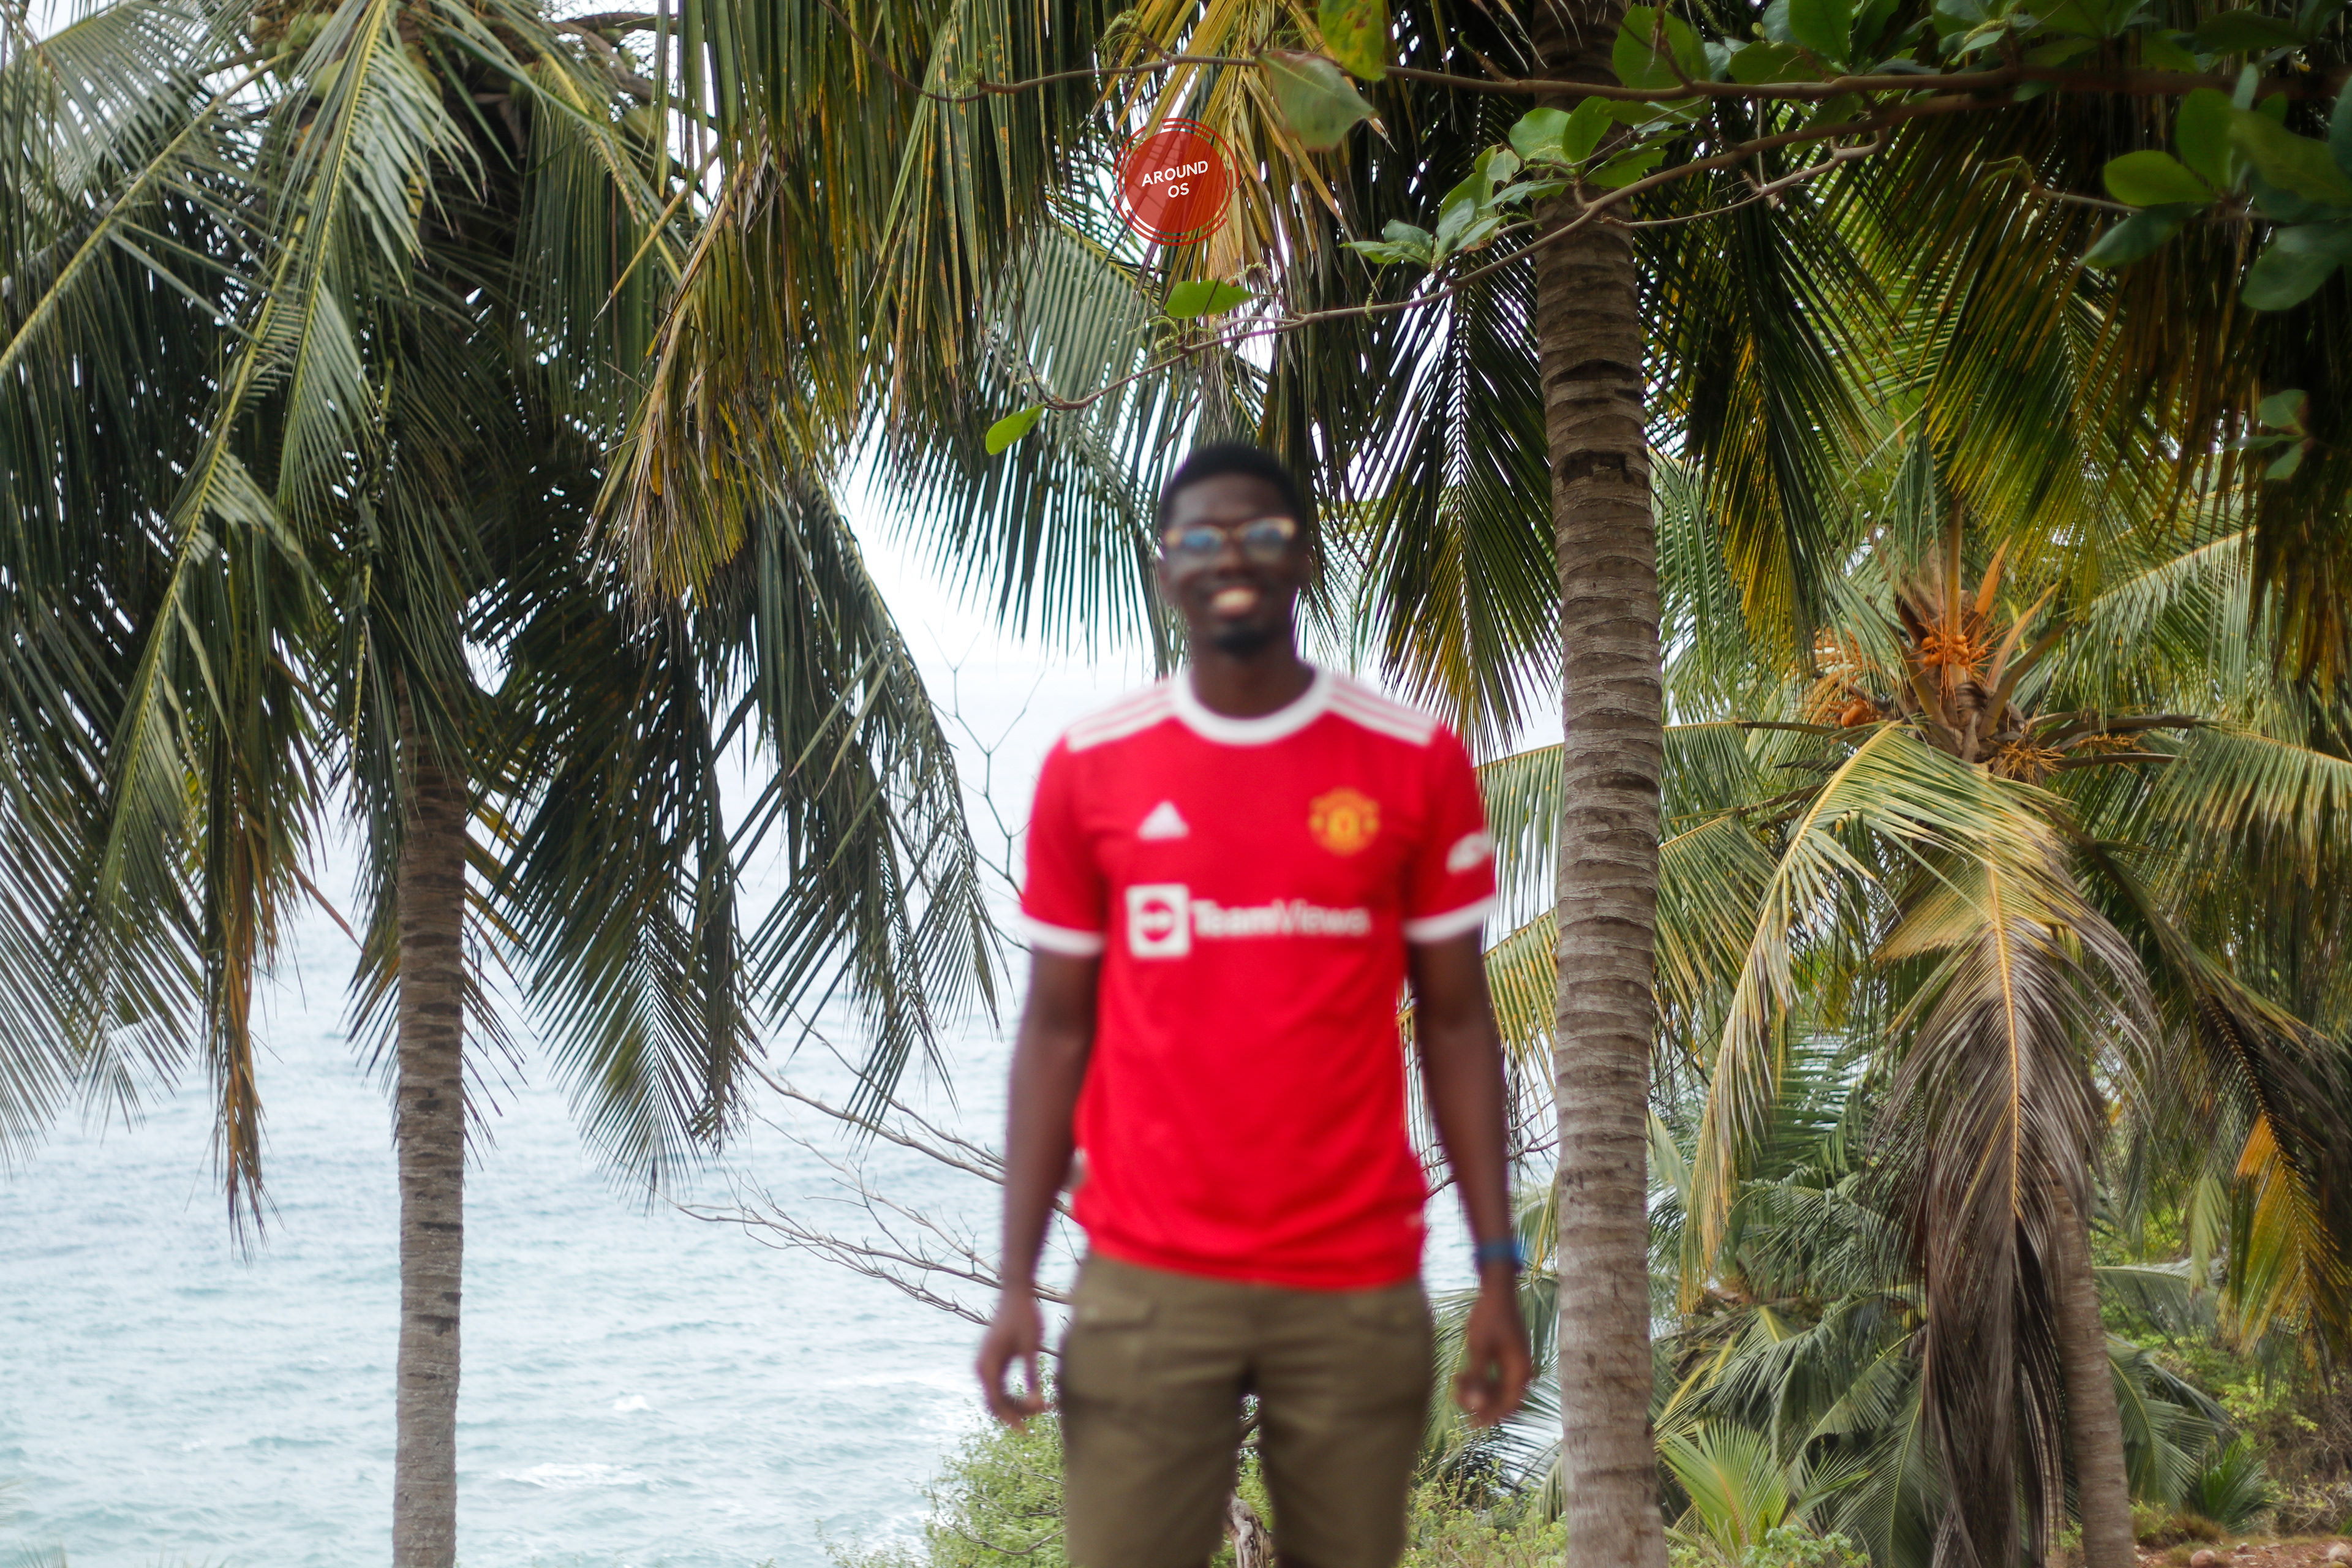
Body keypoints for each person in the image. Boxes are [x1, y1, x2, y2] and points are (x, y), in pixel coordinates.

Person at [974, 442, 1534, 1568]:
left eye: (1263, 534)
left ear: (1305, 558)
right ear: (1165, 567)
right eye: (1201, 538)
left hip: (1352, 1280)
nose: (1231, 559)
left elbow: (1458, 1022)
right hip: (1147, 1279)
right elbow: (1055, 1030)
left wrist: (1495, 1266)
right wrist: (1015, 1283)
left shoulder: (1412, 763)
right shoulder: (1091, 771)